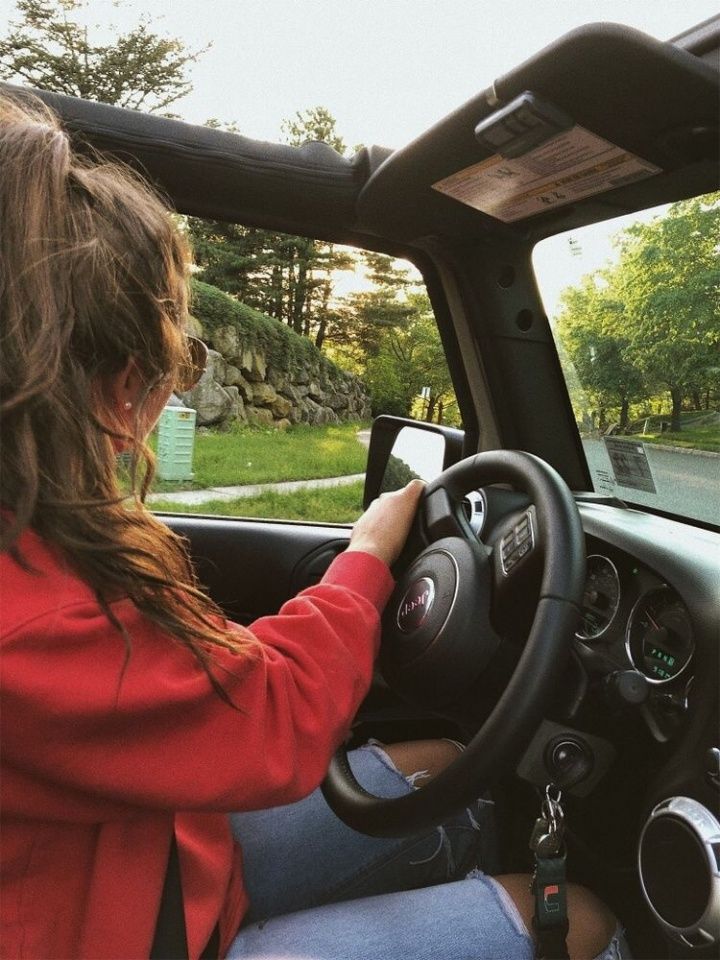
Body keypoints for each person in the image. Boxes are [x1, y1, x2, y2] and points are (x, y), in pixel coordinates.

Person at [0, 91, 627, 960]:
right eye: (177, 357)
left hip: (132, 860)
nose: (175, 389)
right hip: (123, 928)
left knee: (443, 768)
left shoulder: (38, 541)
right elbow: (279, 714)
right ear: (112, 381)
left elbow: (210, 691)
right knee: (583, 923)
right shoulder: (33, 620)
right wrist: (369, 553)